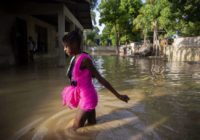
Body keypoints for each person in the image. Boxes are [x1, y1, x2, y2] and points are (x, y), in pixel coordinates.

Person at [62, 30, 130, 131]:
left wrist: (118, 95)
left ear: (75, 44)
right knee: (92, 126)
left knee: (73, 130)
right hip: (84, 96)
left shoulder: (85, 60)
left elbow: (100, 79)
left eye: (66, 46)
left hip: (88, 98)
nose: (64, 49)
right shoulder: (74, 58)